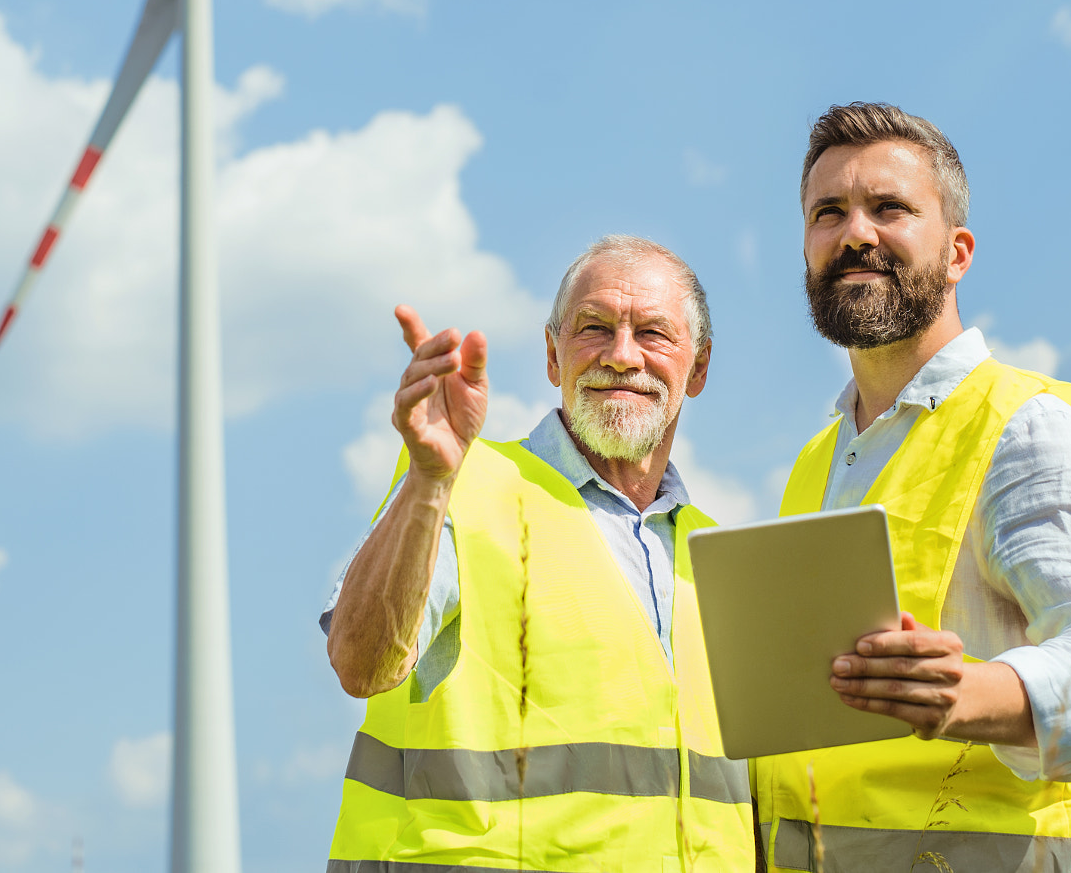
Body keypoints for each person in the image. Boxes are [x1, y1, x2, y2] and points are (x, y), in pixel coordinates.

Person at [756, 103, 1071, 872]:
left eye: (890, 208)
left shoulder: (1025, 425)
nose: (856, 233)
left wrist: (964, 696)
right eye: (827, 212)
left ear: (958, 251)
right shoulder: (816, 462)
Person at [321, 236, 754, 873]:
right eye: (594, 329)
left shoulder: (720, 557)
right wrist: (428, 480)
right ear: (553, 355)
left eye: (653, 333)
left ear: (700, 368)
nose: (622, 355)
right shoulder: (462, 484)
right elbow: (360, 663)